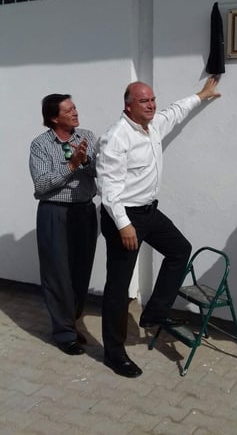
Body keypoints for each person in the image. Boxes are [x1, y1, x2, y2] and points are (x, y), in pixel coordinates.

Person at [96, 76, 221, 378]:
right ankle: (114, 353)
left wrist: (202, 95)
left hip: (149, 213)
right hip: (123, 218)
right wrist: (124, 225)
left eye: (152, 99)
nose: (152, 105)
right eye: (144, 101)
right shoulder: (116, 137)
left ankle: (154, 313)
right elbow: (107, 187)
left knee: (180, 250)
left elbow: (175, 112)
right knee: (118, 286)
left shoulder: (152, 127)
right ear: (128, 105)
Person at [29, 94, 97, 356]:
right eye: (68, 110)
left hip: (84, 212)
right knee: (57, 274)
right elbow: (42, 185)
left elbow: (101, 172)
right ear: (54, 117)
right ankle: (64, 333)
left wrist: (87, 161)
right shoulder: (41, 145)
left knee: (80, 273)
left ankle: (71, 321)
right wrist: (72, 165)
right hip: (54, 213)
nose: (75, 112)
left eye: (75, 107)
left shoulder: (88, 137)